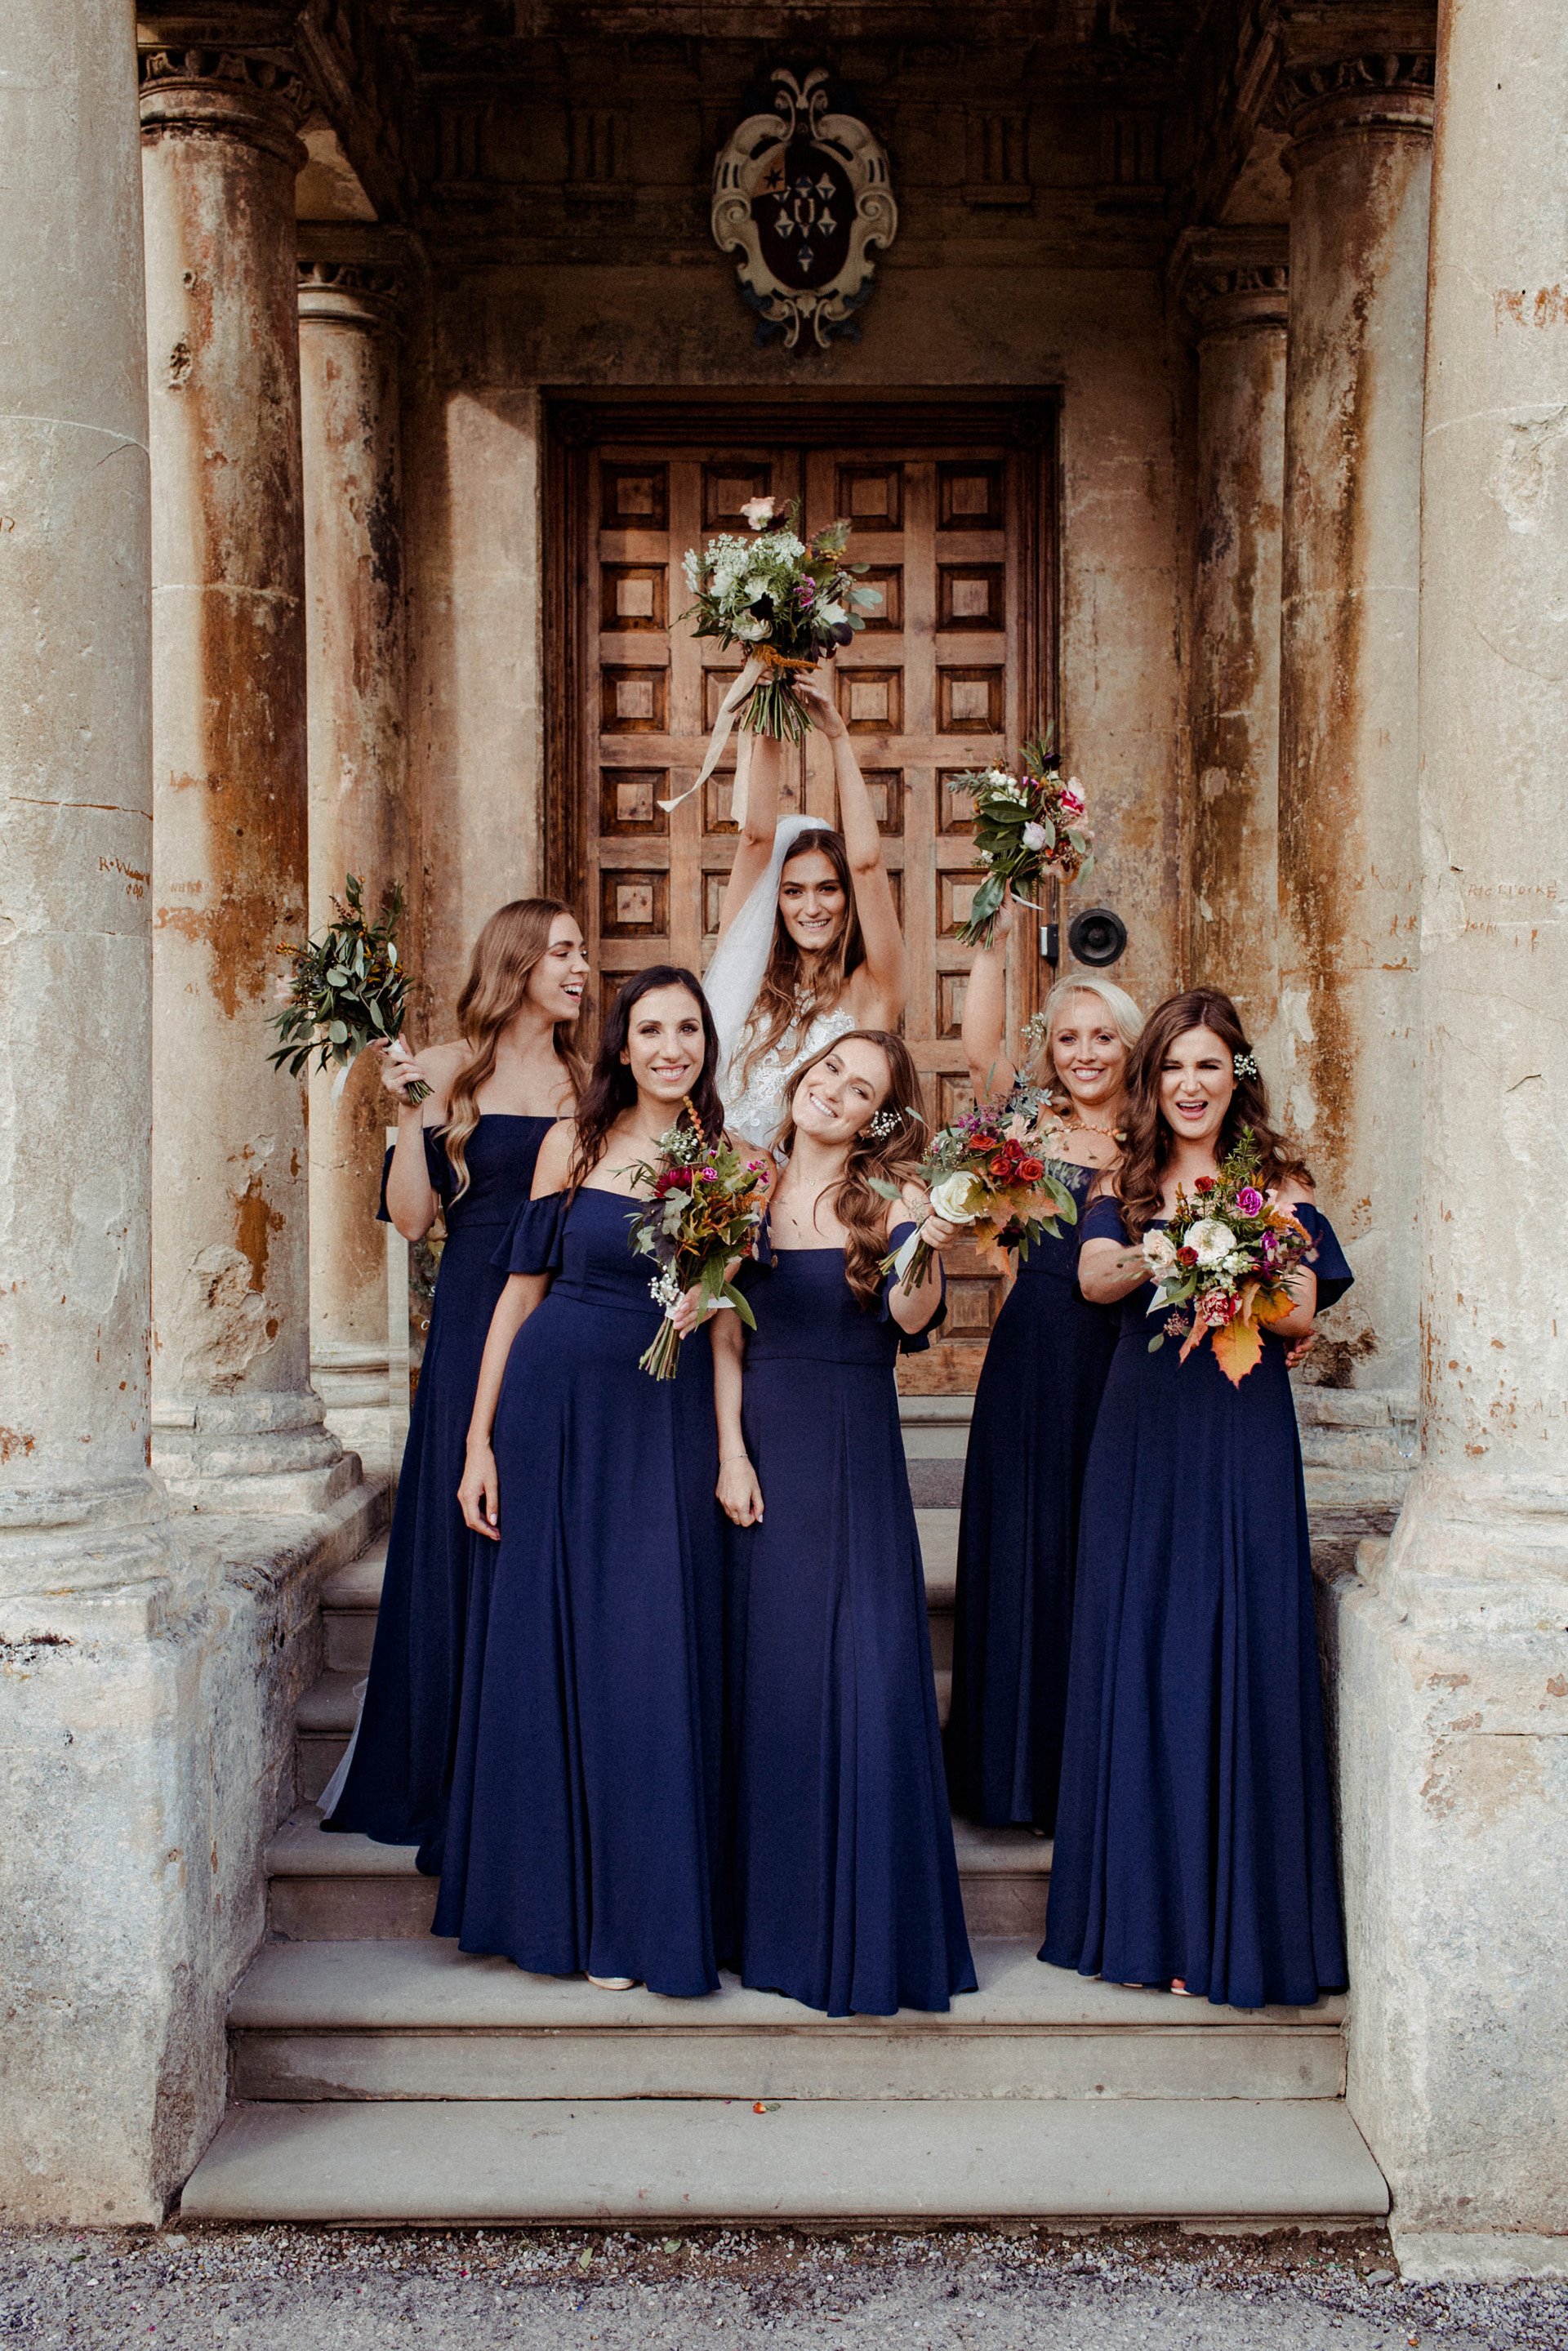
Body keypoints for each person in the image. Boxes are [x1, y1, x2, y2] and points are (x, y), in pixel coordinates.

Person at [1040, 988, 1352, 2010]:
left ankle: (1240, 1927)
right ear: (1152, 1079)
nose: (1189, 1085)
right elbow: (1092, 1278)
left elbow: (1303, 1308)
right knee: (1147, 1651)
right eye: (1173, 1066)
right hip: (1143, 1435)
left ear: (1237, 1078)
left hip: (1239, 1429)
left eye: (1209, 1066)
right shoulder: (1120, 1179)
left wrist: (1241, 1248)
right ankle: (1145, 1918)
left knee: (1240, 1644)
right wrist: (1175, 1246)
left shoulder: (1280, 1181)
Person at [436, 969, 730, 1996]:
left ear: (707, 1042)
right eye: (650, 1027)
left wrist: (710, 1300)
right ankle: (555, 1907)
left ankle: (643, 1914)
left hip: (662, 1417)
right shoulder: (577, 1143)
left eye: (687, 1027)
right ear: (623, 1043)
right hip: (555, 1407)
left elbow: (736, 1311)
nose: (669, 1045)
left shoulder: (734, 1163)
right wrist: (477, 1442)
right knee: (552, 1644)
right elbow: (516, 1300)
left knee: (645, 1650)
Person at [714, 1030, 977, 2017]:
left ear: (879, 1115)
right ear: (801, 1077)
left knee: (865, 1672)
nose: (833, 1091)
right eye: (827, 1072)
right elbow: (723, 1330)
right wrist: (730, 1453)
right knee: (773, 1677)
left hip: (856, 1449)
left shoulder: (898, 1204)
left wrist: (930, 1250)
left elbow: (911, 1320)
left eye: (858, 1087)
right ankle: (768, 1921)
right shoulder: (743, 1187)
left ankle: (868, 1925)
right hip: (763, 1446)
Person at [320, 899, 589, 1862]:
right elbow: (410, 1222)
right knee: (453, 1532)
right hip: (473, 1307)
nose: (582, 966)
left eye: (583, 952)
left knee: (529, 1525)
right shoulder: (439, 1069)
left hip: (558, 1321)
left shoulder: (589, 1083)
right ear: (516, 960)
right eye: (563, 950)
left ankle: (515, 1759)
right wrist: (404, 1116)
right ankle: (440, 1764)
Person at [945, 893, 1145, 1832]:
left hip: (1127, 1366)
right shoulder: (1024, 1128)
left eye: (1103, 1036)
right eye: (1069, 1038)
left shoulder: (1159, 1139)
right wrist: (1001, 904)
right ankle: (1014, 1776)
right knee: (1029, 1552)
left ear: (1131, 1045)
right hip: (1033, 1362)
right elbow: (982, 1050)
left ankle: (1093, 1777)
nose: (1086, 1053)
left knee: (1100, 1555)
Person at [702, 677, 906, 1147]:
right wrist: (771, 712)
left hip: (816, 1203)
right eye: (793, 891)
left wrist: (838, 737)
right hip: (719, 1200)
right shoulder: (749, 971)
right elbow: (755, 839)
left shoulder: (873, 990)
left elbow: (869, 865)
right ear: (776, 901)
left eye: (828, 889)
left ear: (847, 897)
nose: (811, 908)